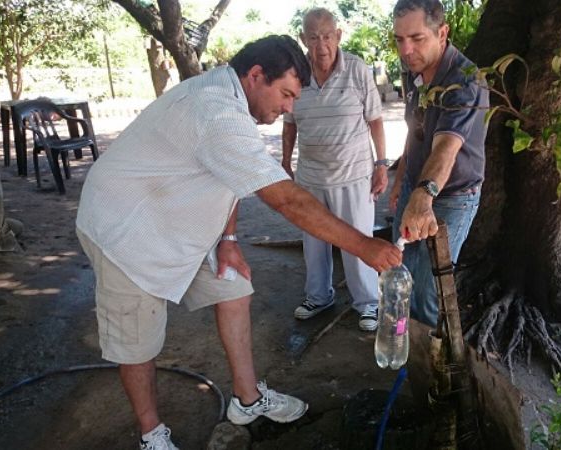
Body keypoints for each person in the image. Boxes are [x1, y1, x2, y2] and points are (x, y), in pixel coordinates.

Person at [76, 36, 401, 450]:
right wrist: (365, 246)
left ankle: (247, 401)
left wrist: (228, 238)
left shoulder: (232, 98)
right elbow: (286, 200)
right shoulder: (216, 111)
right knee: (137, 341)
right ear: (256, 76)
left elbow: (229, 176)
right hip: (127, 228)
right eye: (286, 94)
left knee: (234, 288)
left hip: (178, 217)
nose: (289, 108)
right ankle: (151, 433)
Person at [282, 8, 389, 331]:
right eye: (314, 37)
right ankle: (318, 296)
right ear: (303, 39)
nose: (321, 45)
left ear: (338, 36)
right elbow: (289, 123)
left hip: (354, 175)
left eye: (327, 36)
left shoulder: (357, 69)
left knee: (358, 241)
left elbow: (375, 120)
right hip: (311, 176)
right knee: (314, 242)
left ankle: (368, 303)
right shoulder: (296, 73)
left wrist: (381, 164)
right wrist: (285, 161)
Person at [389, 0, 488, 327]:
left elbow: (446, 147)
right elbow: (414, 129)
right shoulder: (414, 71)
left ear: (442, 33)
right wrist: (402, 179)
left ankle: (429, 351)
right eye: (400, 39)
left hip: (452, 195)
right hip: (415, 184)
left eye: (417, 38)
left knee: (429, 290)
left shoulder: (465, 81)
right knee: (400, 273)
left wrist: (423, 195)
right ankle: (401, 339)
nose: (406, 50)